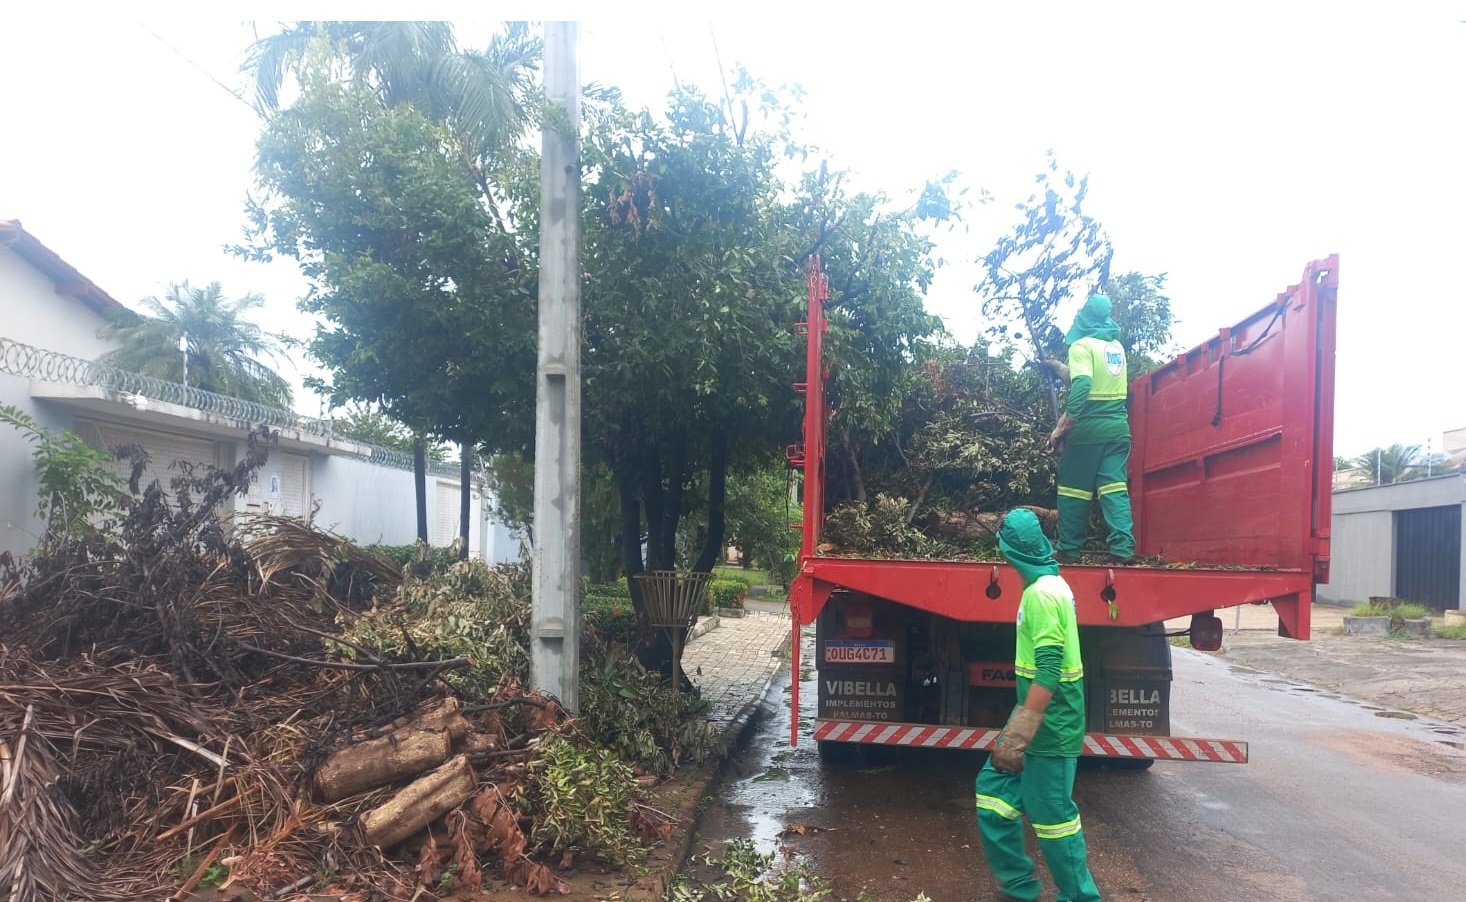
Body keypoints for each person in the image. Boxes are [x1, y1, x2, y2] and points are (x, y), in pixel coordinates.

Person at [975, 508, 1102, 902]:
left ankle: (1080, 896)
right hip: (1040, 721)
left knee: (1053, 818)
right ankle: (1018, 886)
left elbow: (1048, 671)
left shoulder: (1042, 595)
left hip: (1049, 725)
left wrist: (1018, 734)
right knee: (993, 793)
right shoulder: (1051, 584)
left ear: (1008, 552)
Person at [1047, 293, 1135, 564]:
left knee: (1073, 489)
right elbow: (1092, 378)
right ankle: (1123, 550)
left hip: (1088, 431)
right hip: (1118, 431)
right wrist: (1059, 369)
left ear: (1084, 316)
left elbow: (1084, 384)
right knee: (1114, 488)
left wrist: (1062, 427)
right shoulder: (1115, 347)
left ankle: (1069, 549)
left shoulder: (1082, 346)